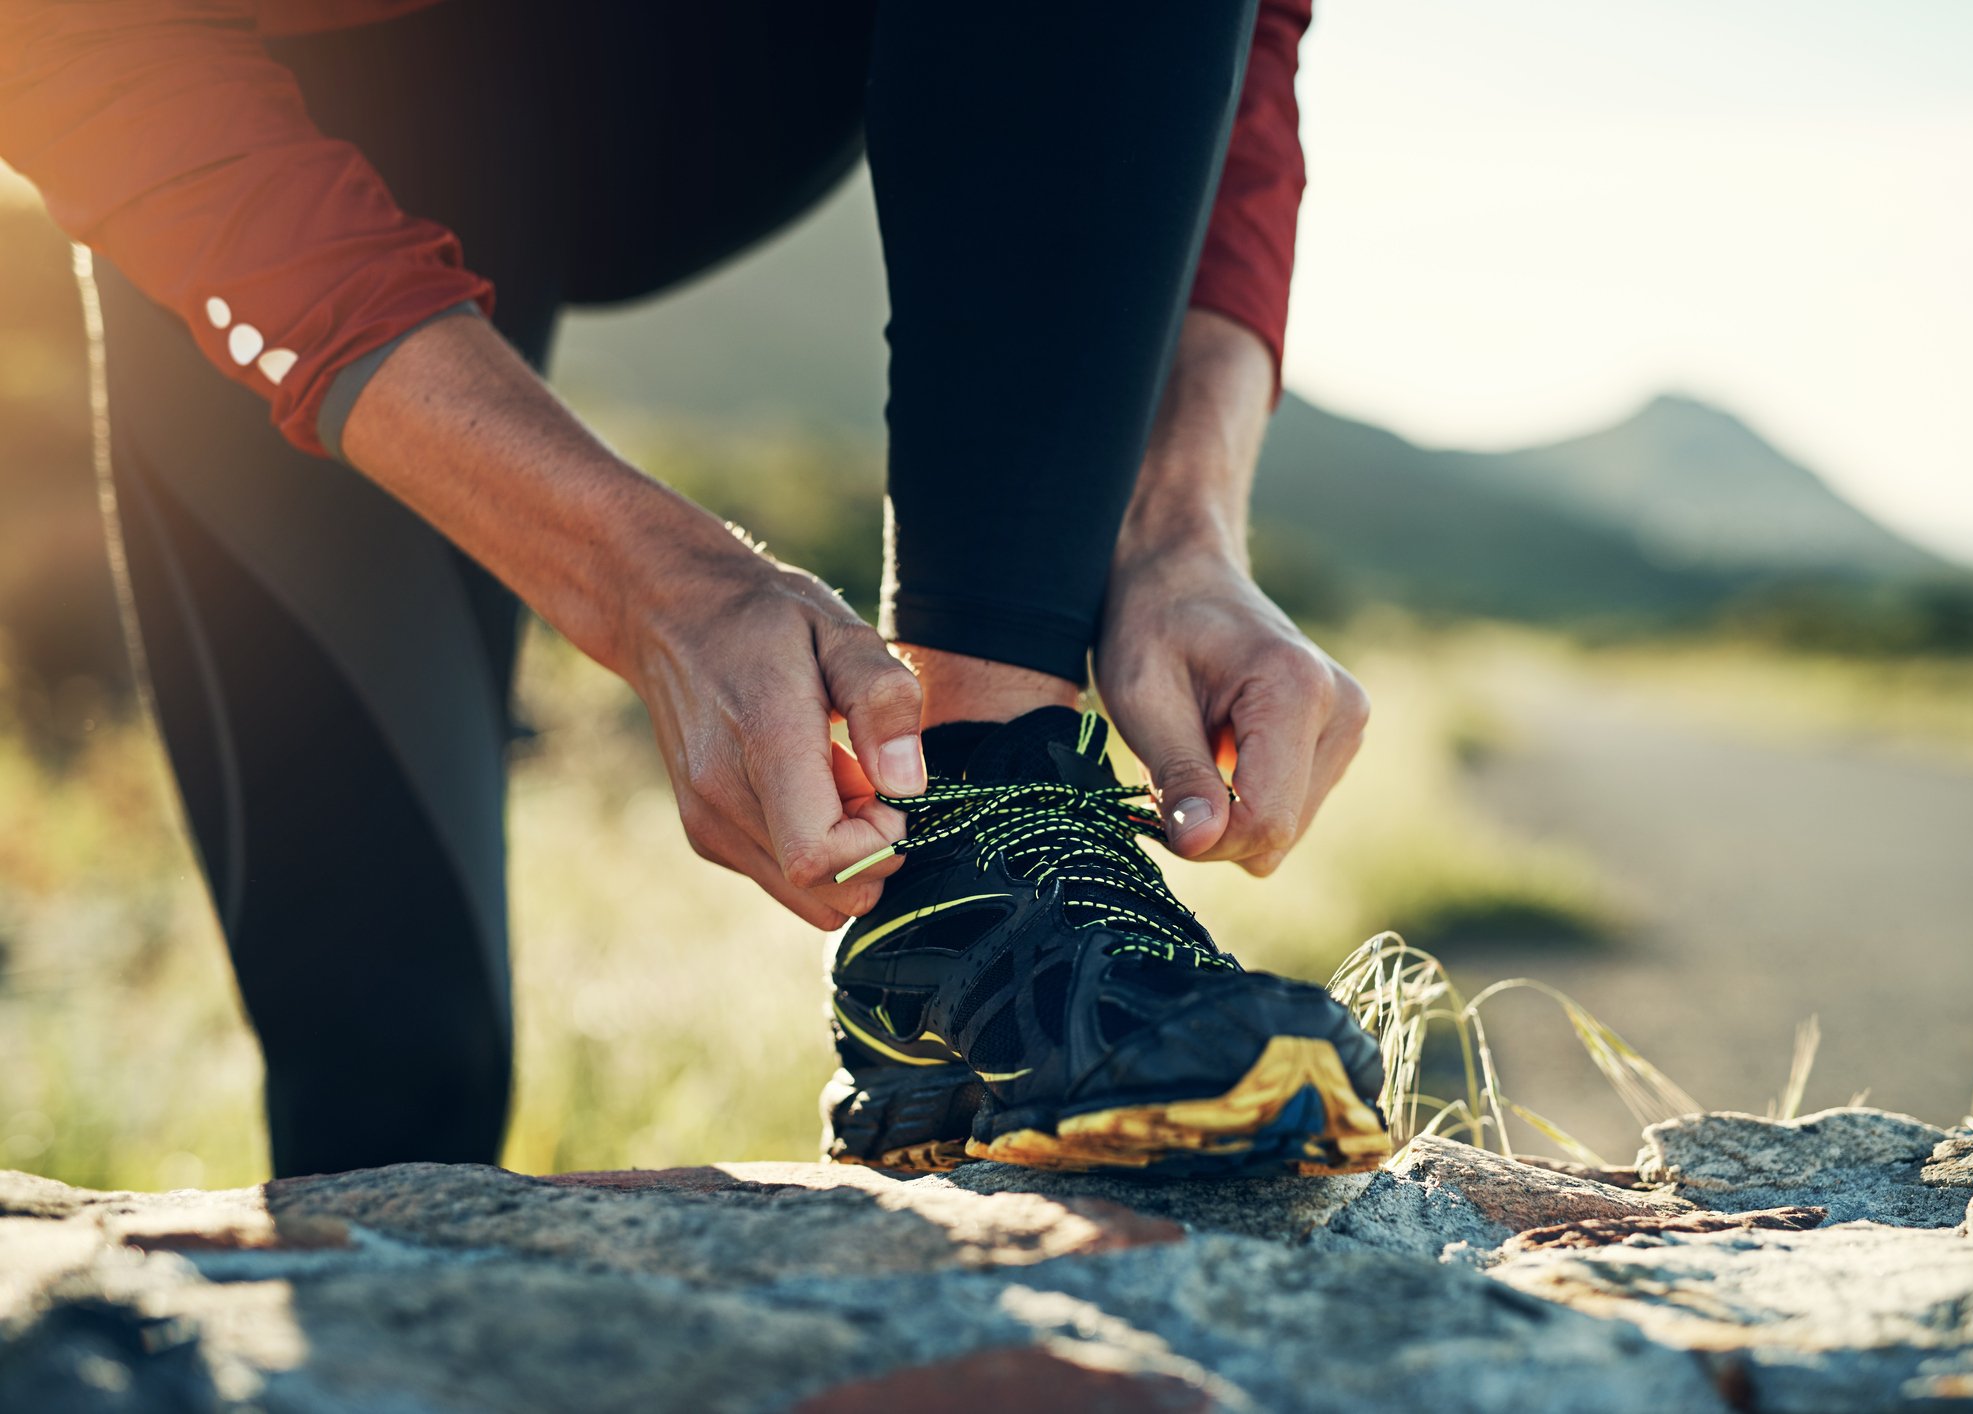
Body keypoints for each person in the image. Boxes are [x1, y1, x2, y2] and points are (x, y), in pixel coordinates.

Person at [0, 0, 1382, 1179]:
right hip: (269, 103)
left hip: (736, 71)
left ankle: (981, 861)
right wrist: (641, 580)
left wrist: (1179, 512)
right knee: (388, 1059)